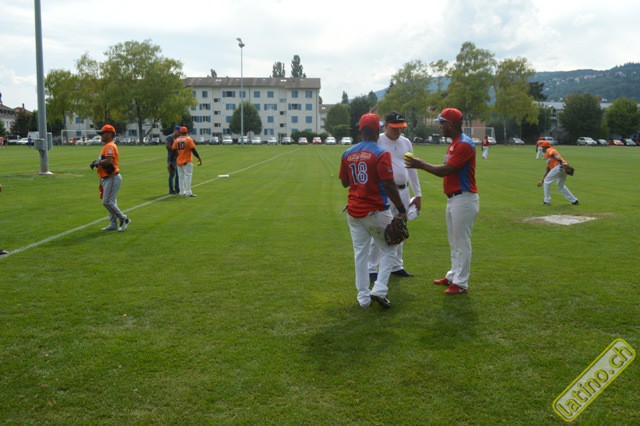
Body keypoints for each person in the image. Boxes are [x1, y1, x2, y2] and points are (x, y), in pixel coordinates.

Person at [404, 108, 479, 295]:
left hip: (464, 198)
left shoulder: (464, 144)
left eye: (442, 123)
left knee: (462, 242)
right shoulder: (456, 143)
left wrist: (421, 165)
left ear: (451, 125)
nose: (440, 126)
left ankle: (461, 283)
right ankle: (453, 275)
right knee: (454, 241)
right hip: (455, 198)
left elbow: (446, 170)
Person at [339, 113, 408, 309]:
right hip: (376, 210)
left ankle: (363, 298)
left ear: (361, 130)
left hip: (354, 211)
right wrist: (401, 209)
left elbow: (345, 182)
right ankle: (379, 289)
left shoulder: (347, 153)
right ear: (378, 130)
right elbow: (388, 183)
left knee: (360, 255)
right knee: (389, 249)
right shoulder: (380, 152)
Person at [367, 111, 421, 281]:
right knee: (380, 228)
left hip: (403, 191)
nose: (399, 131)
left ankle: (396, 265)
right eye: (395, 127)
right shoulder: (379, 141)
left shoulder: (406, 142)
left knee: (399, 227)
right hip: (384, 191)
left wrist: (418, 194)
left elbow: (412, 169)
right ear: (386, 126)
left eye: (401, 127)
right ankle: (371, 267)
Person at [90, 124, 131, 231]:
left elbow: (109, 161)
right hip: (106, 178)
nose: (101, 136)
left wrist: (97, 163)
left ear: (109, 134)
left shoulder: (110, 146)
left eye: (103, 133)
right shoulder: (107, 146)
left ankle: (123, 218)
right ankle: (113, 224)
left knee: (107, 201)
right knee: (111, 201)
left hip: (112, 177)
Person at [171, 126, 202, 197]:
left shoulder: (176, 140)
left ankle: (182, 191)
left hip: (179, 161)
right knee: (188, 176)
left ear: (180, 132)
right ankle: (188, 192)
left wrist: (171, 161)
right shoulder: (188, 139)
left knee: (180, 177)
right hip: (187, 160)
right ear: (186, 132)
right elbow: (193, 150)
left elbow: (173, 151)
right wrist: (199, 157)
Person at [165, 126, 181, 194]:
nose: (180, 133)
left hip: (178, 158)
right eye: (179, 131)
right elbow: (167, 146)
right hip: (171, 159)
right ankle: (171, 190)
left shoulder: (179, 138)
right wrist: (175, 148)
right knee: (172, 174)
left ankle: (177, 189)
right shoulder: (170, 137)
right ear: (175, 131)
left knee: (178, 175)